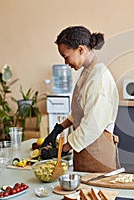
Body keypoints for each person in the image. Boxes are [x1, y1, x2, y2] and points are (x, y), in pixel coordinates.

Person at [41, 26, 120, 172]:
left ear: (81, 49)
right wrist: (59, 128)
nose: (66, 63)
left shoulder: (98, 79)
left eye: (66, 56)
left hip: (98, 152)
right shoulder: (88, 72)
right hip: (85, 149)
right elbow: (82, 110)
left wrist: (62, 150)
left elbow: (92, 125)